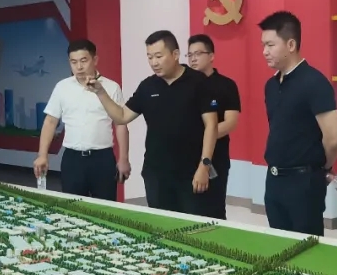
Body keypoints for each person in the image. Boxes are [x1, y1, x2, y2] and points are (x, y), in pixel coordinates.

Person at [87, 30, 218, 215]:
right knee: (162, 225)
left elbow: (211, 125)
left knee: (193, 227)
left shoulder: (199, 82)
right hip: (156, 174)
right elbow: (122, 116)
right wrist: (100, 92)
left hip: (191, 172)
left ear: (175, 54)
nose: (154, 62)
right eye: (149, 57)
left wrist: (204, 166)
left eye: (158, 56)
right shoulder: (147, 86)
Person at [260, 11, 337, 236]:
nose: (264, 51)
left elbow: (333, 138)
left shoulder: (314, 82)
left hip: (304, 182)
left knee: (307, 248)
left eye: (270, 45)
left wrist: (324, 168)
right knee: (280, 244)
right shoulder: (271, 85)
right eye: (263, 45)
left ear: (291, 44)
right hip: (274, 179)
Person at [33, 39, 130, 200]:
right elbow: (50, 122)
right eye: (74, 62)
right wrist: (42, 155)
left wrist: (124, 158)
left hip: (102, 158)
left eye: (84, 61)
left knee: (106, 207)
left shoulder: (111, 87)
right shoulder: (62, 87)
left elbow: (120, 124)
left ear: (95, 60)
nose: (79, 67)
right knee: (73, 207)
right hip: (73, 160)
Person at [187, 34, 241, 219]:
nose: (193, 59)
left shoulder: (226, 85)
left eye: (198, 54)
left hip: (215, 160)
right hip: (185, 159)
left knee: (213, 210)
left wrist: (205, 137)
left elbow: (231, 122)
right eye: (189, 55)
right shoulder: (185, 85)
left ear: (211, 56)